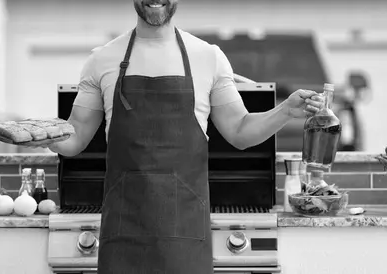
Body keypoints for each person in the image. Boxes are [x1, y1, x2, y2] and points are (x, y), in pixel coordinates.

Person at [46, 0, 323, 273]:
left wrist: (286, 110)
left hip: (186, 233)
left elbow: (240, 131)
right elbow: (76, 137)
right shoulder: (102, 59)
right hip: (123, 231)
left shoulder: (207, 56)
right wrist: (43, 136)